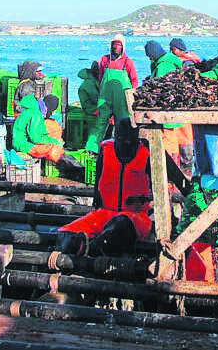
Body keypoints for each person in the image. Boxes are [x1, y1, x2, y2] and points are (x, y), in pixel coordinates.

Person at [58, 119, 154, 256]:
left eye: (129, 140)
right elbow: (98, 181)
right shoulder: (106, 150)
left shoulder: (147, 153)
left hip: (135, 218)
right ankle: (82, 248)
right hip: (105, 213)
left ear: (136, 138)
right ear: (116, 137)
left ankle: (90, 249)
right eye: (121, 139)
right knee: (65, 233)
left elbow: (163, 189)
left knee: (120, 225)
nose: (125, 143)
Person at [145, 40, 194, 177]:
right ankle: (188, 171)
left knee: (169, 142)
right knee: (185, 141)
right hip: (182, 109)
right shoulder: (175, 61)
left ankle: (172, 175)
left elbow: (158, 89)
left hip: (167, 113)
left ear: (154, 54)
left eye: (150, 55)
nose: (150, 58)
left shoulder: (162, 66)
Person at [85, 69, 134, 154]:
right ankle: (92, 149)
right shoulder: (105, 59)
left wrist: (131, 98)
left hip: (122, 95)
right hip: (105, 95)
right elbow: (101, 78)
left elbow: (134, 80)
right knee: (100, 122)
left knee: (123, 123)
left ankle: (122, 149)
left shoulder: (127, 61)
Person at [12, 93, 64, 162]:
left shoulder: (34, 107)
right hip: (23, 145)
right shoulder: (36, 114)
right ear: (49, 108)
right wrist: (55, 141)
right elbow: (35, 138)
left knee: (52, 144)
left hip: (20, 141)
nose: (52, 113)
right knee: (52, 148)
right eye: (52, 110)